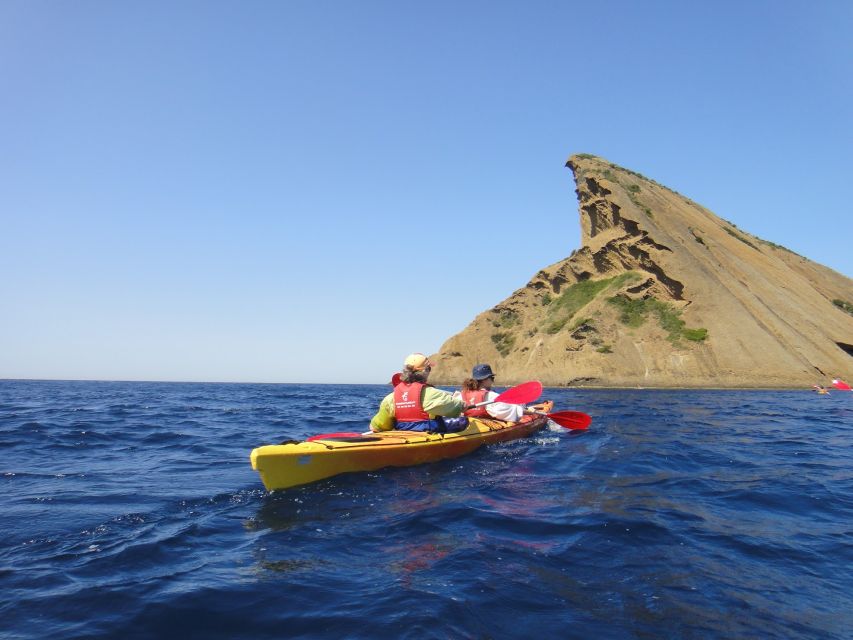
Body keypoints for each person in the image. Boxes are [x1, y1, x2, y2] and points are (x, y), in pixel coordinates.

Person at [370, 353, 469, 433]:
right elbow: (457, 408)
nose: (430, 372)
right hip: (428, 434)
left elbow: (375, 427)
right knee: (463, 421)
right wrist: (462, 405)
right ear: (425, 371)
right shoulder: (432, 394)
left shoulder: (390, 398)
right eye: (429, 369)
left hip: (403, 433)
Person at [455, 363, 540, 422]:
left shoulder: (460, 395)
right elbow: (513, 412)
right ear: (484, 380)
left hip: (469, 425)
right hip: (486, 427)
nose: (493, 381)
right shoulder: (492, 397)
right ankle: (525, 405)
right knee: (518, 405)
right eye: (492, 378)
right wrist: (532, 412)